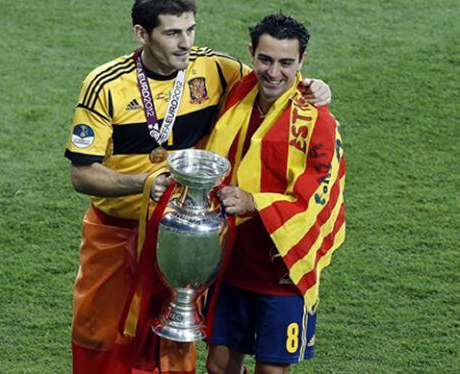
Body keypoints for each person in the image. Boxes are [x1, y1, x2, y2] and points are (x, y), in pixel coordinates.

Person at [64, 1, 332, 373]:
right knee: (102, 340)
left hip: (187, 238)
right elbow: (82, 174)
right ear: (143, 34)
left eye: (191, 30)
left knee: (175, 342)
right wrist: (143, 184)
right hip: (117, 237)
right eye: (173, 33)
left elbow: (272, 79)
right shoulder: (105, 84)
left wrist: (312, 84)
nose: (185, 42)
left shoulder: (215, 68)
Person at [200, 13, 346, 374]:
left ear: (302, 62)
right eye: (265, 59)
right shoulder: (237, 93)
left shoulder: (316, 120)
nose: (274, 72)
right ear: (251, 53)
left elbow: (318, 196)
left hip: (283, 267)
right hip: (230, 256)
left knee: (271, 370)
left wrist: (254, 201)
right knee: (218, 365)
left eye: (286, 62)